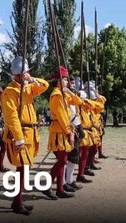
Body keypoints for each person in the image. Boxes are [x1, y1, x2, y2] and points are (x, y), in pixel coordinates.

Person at [1, 56, 49, 215]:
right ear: (19, 75)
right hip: (19, 134)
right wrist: (19, 138)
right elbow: (11, 117)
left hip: (30, 134)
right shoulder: (10, 92)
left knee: (24, 170)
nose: (28, 74)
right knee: (22, 169)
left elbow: (45, 85)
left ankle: (17, 201)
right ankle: (17, 202)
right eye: (26, 72)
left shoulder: (28, 87)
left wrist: (32, 79)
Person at [44, 66, 82, 199]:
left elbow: (79, 102)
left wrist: (70, 92)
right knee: (62, 160)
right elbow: (61, 116)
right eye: (64, 79)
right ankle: (47, 185)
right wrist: (69, 133)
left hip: (63, 130)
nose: (66, 81)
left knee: (62, 160)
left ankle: (60, 189)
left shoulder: (64, 94)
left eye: (66, 78)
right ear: (58, 81)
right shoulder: (57, 95)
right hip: (59, 131)